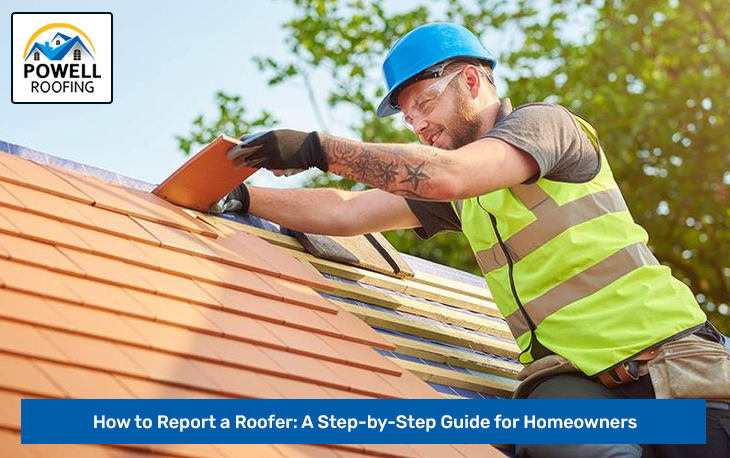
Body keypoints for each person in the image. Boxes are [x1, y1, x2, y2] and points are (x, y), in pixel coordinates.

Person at [213, 22, 730, 457]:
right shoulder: (465, 195)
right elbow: (349, 209)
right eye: (408, 115)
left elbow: (448, 174)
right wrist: (242, 198)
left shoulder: (549, 126)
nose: (418, 124)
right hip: (573, 384)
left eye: (427, 103)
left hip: (674, 367)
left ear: (473, 80)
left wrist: (317, 148)